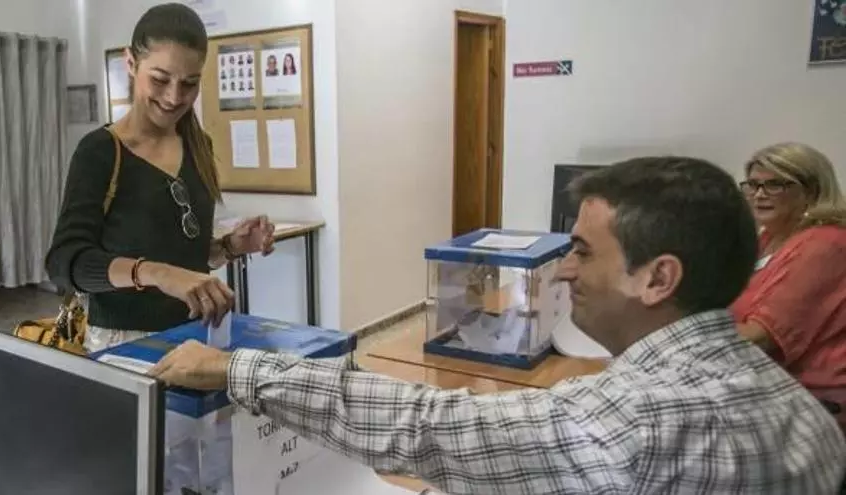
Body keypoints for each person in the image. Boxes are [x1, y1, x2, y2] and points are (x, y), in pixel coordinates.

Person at [150, 157, 846, 494]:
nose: (563, 271)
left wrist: (237, 368)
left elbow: (431, 426)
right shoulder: (804, 416)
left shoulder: (632, 424)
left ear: (658, 278)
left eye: (582, 251)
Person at [45, 3, 275, 352]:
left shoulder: (198, 145)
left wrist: (230, 246)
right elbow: (65, 263)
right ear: (131, 63)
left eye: (189, 84)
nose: (174, 97)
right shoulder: (101, 151)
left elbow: (184, 254)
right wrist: (158, 274)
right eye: (160, 79)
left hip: (198, 333)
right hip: (124, 341)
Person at [730, 142, 846, 431]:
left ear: (811, 191)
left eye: (775, 185)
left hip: (812, 403)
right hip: (765, 386)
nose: (759, 194)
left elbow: (761, 337)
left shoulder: (825, 243)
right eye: (753, 185)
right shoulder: (768, 238)